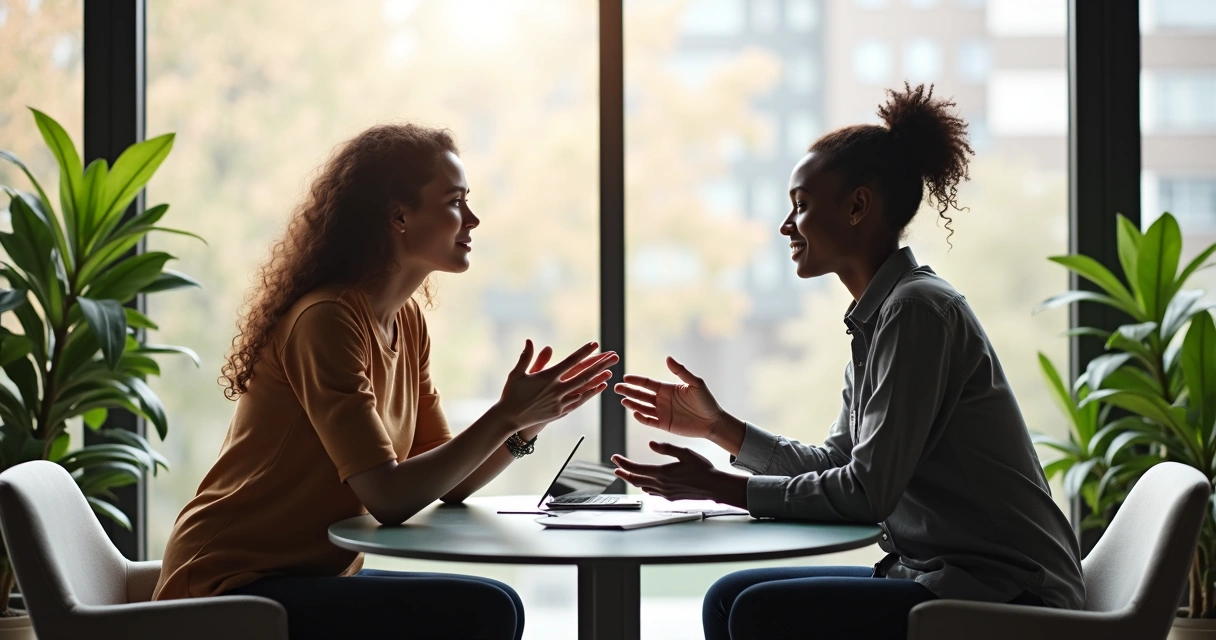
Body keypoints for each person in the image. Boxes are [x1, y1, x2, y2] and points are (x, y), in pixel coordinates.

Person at [611, 84, 1085, 640]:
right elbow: (839, 458)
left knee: (755, 613)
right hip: (940, 579)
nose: (788, 227)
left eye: (802, 205)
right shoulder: (881, 316)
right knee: (728, 598)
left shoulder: (917, 311)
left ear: (858, 206)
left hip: (1006, 596)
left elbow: (866, 493)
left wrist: (720, 487)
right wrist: (721, 430)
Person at [151, 124, 617, 640]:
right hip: (231, 585)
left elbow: (452, 480)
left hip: (306, 577)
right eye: (455, 202)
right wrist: (505, 414)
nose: (474, 219)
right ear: (399, 216)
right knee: (486, 610)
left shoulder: (406, 321)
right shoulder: (326, 319)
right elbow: (388, 497)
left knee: (496, 601)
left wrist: (525, 424)